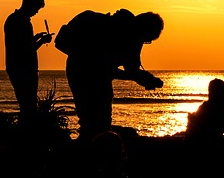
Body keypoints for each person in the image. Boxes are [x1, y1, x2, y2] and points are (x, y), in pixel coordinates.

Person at [55, 8, 163, 141]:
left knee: (100, 122)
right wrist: (140, 77)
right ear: (140, 29)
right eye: (146, 39)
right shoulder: (97, 23)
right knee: (90, 121)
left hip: (97, 78)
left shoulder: (134, 37)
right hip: (80, 73)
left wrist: (147, 79)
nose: (144, 43)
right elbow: (105, 68)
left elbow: (130, 71)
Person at [3, 0, 53, 124]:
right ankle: (27, 135)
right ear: (30, 4)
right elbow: (26, 49)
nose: (36, 12)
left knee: (26, 105)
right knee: (28, 106)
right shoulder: (21, 22)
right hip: (23, 69)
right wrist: (42, 41)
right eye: (36, 8)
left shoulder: (14, 19)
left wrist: (35, 37)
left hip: (17, 67)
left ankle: (26, 134)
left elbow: (22, 44)